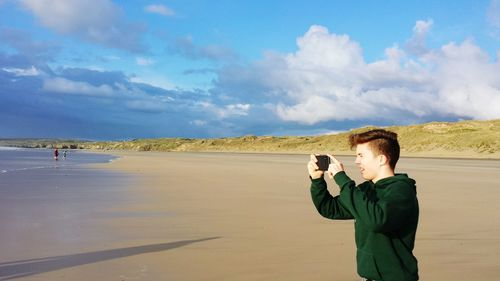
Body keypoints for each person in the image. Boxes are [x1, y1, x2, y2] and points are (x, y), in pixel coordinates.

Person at [307, 129, 419, 281]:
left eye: (361, 155)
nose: (356, 161)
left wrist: (342, 179)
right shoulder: (365, 189)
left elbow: (377, 221)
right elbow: (330, 209)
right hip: (367, 277)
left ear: (381, 159)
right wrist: (317, 180)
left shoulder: (401, 190)